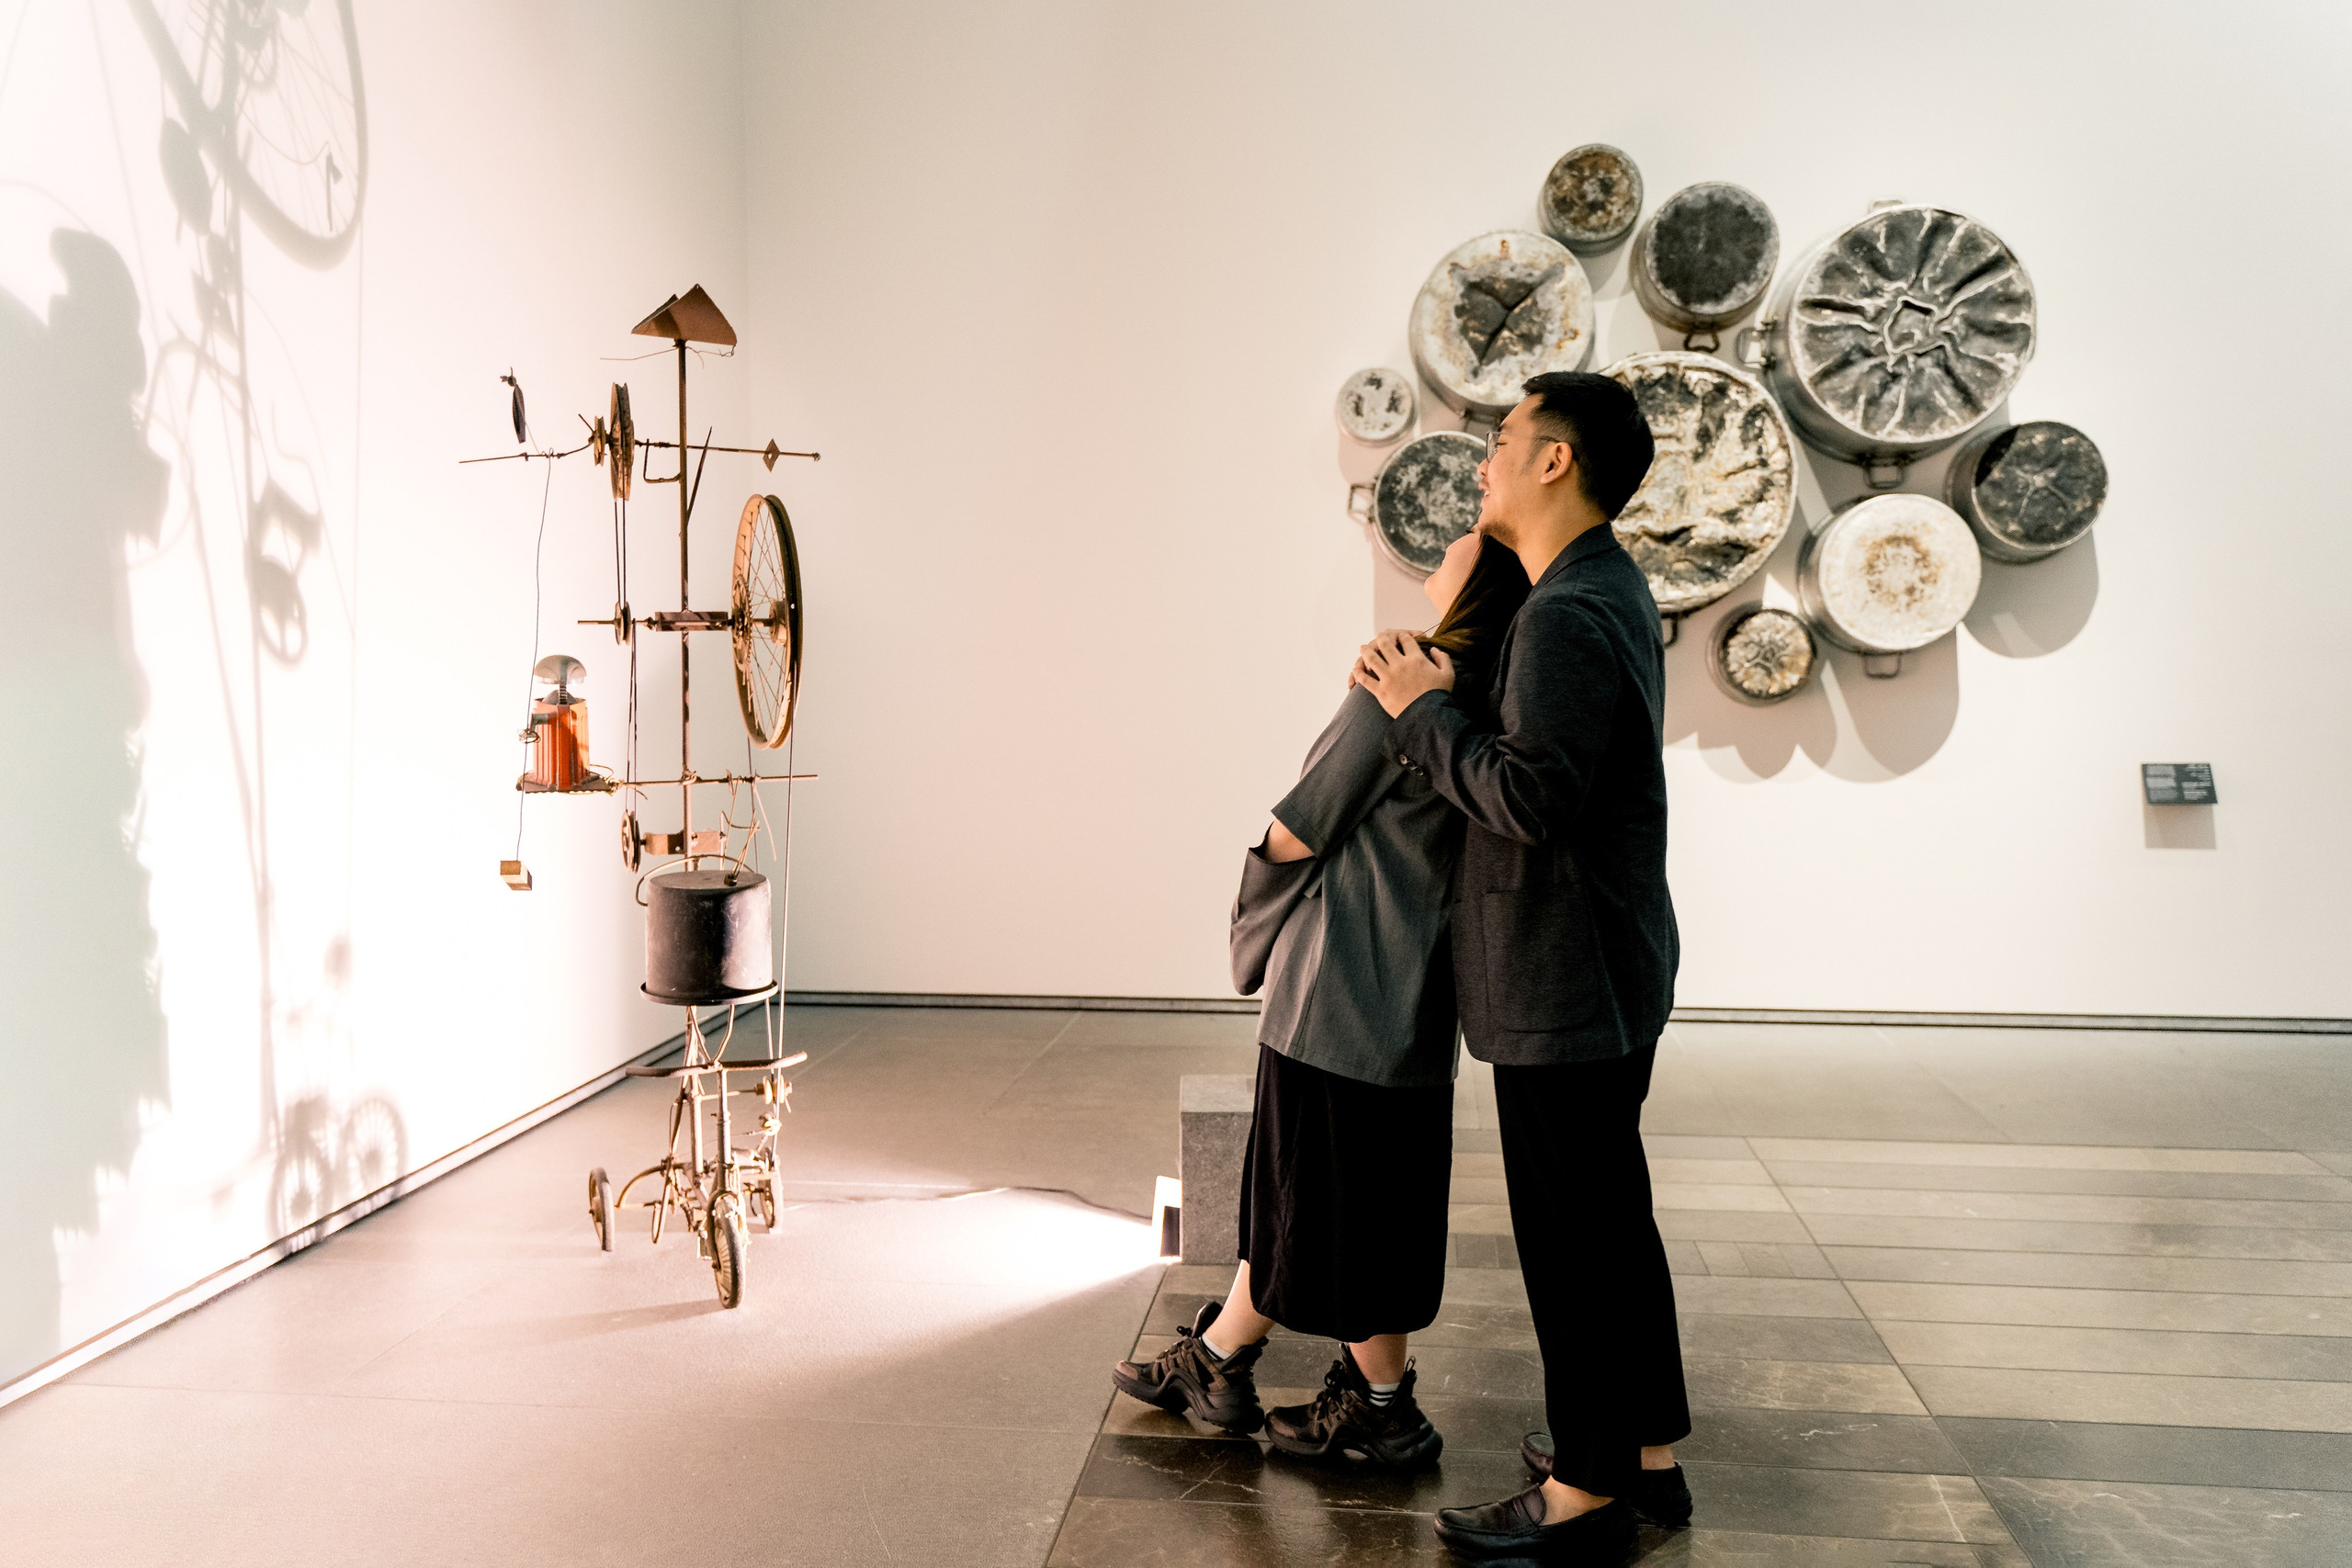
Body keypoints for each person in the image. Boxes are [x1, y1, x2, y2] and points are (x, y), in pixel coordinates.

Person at [1354, 371, 1690, 1564]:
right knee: (1610, 1217)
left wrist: (1419, 708)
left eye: (1502, 439)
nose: (1485, 459)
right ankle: (1644, 1452)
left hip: (1567, 968)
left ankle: (1589, 1489)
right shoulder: (1597, 588)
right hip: (1597, 958)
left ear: (1556, 460)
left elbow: (1532, 795)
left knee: (1575, 1234)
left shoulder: (1564, 611)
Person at [1109, 529, 1531, 1469]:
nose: (1454, 535)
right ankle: (1220, 1357)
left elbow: (1298, 827)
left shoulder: (1400, 690)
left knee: (1333, 1199)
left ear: (1479, 580)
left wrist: (1253, 883)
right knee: (1327, 1195)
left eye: (1472, 533)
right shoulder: (1498, 703)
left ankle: (1380, 1405)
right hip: (1414, 992)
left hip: (1339, 984)